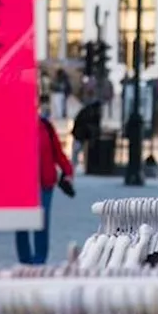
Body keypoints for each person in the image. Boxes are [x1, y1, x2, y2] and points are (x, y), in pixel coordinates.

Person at [16, 96, 74, 265]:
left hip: (45, 183)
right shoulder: (16, 127)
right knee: (21, 222)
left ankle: (40, 258)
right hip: (23, 185)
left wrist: (67, 171)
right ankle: (25, 259)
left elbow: (58, 152)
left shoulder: (46, 127)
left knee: (42, 221)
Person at [70, 98, 102, 170]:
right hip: (81, 134)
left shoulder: (89, 111)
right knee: (77, 150)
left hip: (82, 134)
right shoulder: (90, 112)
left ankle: (74, 165)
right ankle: (74, 165)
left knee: (77, 151)